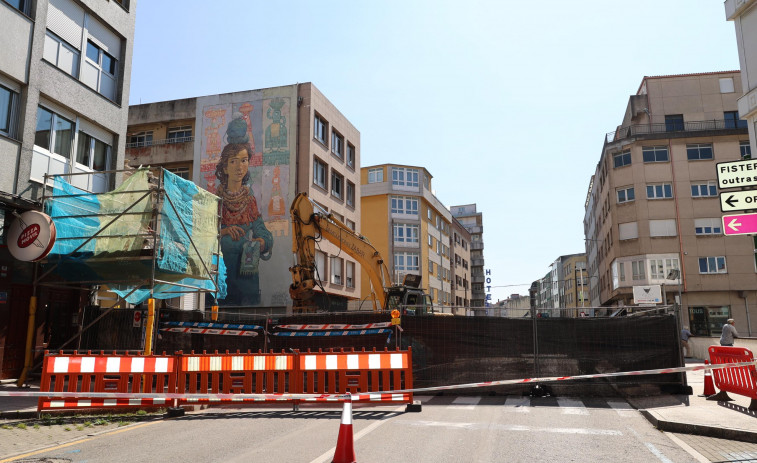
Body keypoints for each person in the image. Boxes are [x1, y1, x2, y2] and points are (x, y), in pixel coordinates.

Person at [215, 116, 273, 306]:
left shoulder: (250, 200)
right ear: (225, 166)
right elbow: (202, 235)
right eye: (233, 161)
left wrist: (261, 241)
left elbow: (262, 231)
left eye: (244, 160)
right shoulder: (215, 200)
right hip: (220, 275)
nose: (239, 167)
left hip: (246, 279)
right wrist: (224, 231)